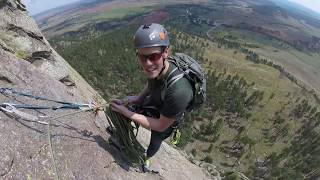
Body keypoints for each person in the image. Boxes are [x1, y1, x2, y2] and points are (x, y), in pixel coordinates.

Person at [110, 23, 194, 171]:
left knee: (156, 140)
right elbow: (151, 86)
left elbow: (160, 125)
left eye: (153, 56)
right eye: (142, 57)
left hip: (166, 118)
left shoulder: (179, 91)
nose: (147, 64)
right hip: (156, 101)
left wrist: (128, 113)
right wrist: (137, 99)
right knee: (125, 106)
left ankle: (147, 158)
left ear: (165, 52)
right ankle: (121, 135)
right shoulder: (158, 68)